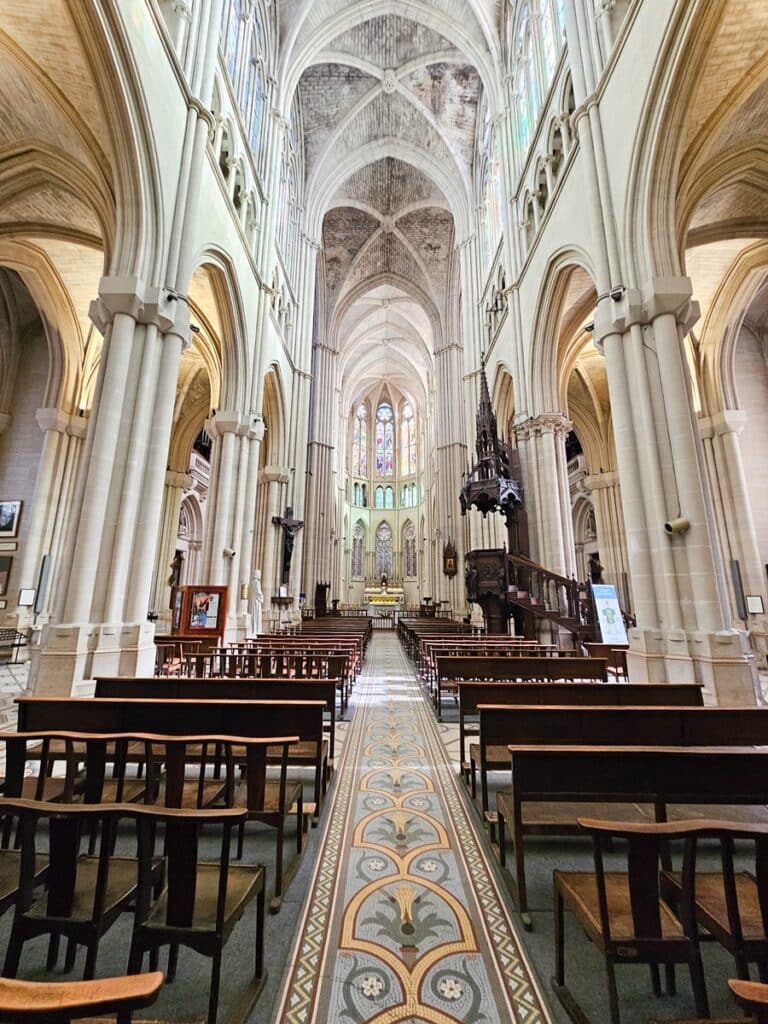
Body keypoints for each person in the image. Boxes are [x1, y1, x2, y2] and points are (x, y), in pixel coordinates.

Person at [248, 569, 264, 637]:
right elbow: (258, 593)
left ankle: (253, 629)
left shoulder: (251, 583)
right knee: (257, 615)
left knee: (253, 615)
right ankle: (256, 630)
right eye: (259, 574)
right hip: (256, 602)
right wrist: (262, 597)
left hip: (252, 601)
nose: (260, 575)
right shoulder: (257, 583)